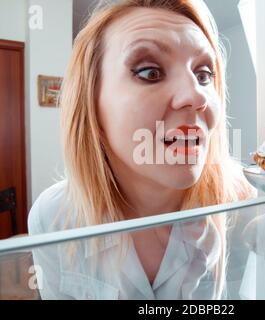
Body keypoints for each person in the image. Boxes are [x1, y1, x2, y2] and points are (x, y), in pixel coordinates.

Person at [28, 0, 253, 300]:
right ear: (90, 102)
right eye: (149, 72)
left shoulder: (246, 208)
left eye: (203, 75)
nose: (196, 96)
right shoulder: (53, 217)